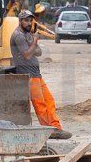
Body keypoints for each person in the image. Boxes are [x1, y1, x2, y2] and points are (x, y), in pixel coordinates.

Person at [12, 9, 71, 139]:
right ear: (20, 21)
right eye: (26, 20)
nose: (28, 23)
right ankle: (47, 130)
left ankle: (56, 128)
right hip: (28, 75)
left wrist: (33, 43)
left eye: (30, 20)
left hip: (36, 74)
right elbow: (27, 55)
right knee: (40, 104)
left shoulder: (28, 34)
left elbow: (38, 52)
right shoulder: (18, 35)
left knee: (49, 100)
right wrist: (34, 42)